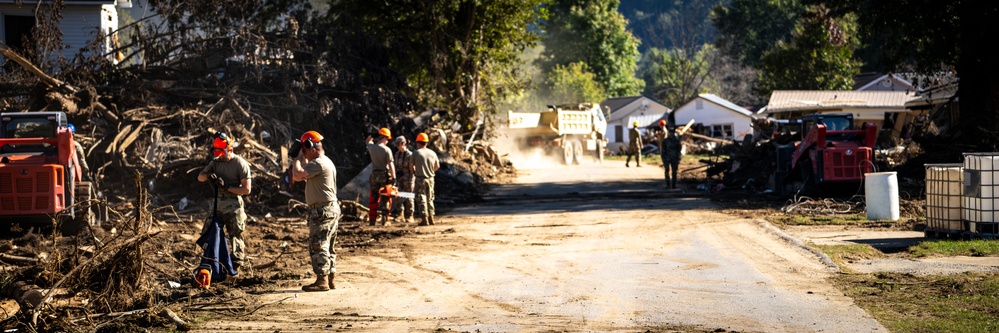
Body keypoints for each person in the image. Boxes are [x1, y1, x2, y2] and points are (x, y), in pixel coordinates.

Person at [291, 130, 342, 292]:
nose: (304, 155)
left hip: (322, 210)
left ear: (311, 148)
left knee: (318, 245)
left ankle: (322, 280)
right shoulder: (325, 161)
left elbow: (297, 175)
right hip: (329, 208)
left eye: (304, 151)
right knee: (329, 245)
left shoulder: (318, 163)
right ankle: (330, 278)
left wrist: (296, 159)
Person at [197, 131, 252, 271]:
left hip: (233, 205)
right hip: (217, 205)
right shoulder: (215, 162)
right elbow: (200, 177)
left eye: (222, 152)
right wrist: (209, 175)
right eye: (217, 152)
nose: (219, 156)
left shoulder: (240, 163)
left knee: (236, 236)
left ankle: (235, 268)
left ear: (230, 150)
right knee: (209, 233)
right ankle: (212, 264)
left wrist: (227, 186)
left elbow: (246, 190)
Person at [366, 128, 396, 226]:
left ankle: (372, 220)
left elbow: (367, 141)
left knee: (373, 197)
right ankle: (385, 219)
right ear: (383, 138)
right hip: (384, 175)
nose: (387, 141)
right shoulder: (387, 150)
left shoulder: (372, 148)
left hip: (374, 175)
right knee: (386, 197)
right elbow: (391, 165)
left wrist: (373, 135)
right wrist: (394, 178)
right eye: (387, 139)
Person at [411, 133, 440, 226]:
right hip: (431, 178)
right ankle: (431, 218)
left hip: (420, 178)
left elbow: (410, 166)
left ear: (418, 143)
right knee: (430, 197)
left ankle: (424, 219)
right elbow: (437, 166)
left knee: (421, 197)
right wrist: (431, 171)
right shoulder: (433, 153)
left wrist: (414, 173)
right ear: (426, 143)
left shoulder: (416, 153)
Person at [391, 136, 415, 223]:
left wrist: (411, 181)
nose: (398, 146)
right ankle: (400, 214)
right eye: (397, 145)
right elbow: (395, 166)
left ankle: (410, 215)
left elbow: (413, 169)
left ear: (404, 144)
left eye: (399, 144)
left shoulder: (410, 155)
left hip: (408, 178)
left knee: (409, 197)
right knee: (398, 196)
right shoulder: (397, 154)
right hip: (399, 179)